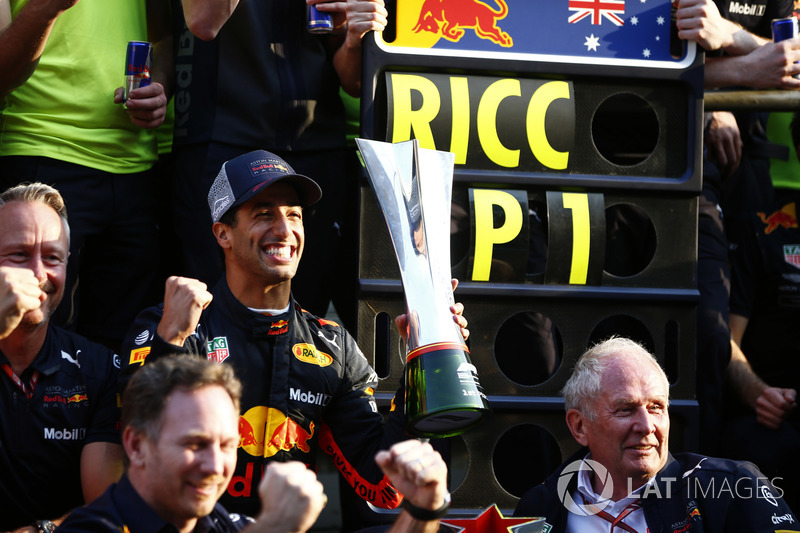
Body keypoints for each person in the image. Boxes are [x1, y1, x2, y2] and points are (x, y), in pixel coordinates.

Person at [120, 149, 469, 519]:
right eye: (264, 214)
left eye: (294, 215)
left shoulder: (333, 347)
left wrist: (425, 360)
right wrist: (168, 342)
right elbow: (137, 449)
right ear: (223, 233)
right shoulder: (175, 324)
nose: (285, 231)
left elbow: (384, 486)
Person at [59, 355, 450, 533]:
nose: (215, 465)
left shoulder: (220, 523)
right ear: (136, 444)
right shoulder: (91, 528)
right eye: (195, 444)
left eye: (228, 444)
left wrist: (422, 508)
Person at [169, 0, 387, 319]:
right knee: (210, 310)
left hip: (316, 144)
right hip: (224, 138)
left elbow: (353, 82)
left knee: (302, 310)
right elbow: (204, 23)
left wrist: (357, 36)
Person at [0, 0, 172, 351]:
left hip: (136, 165)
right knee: (29, 335)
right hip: (40, 150)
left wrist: (160, 88)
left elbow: (166, 38)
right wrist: (44, 8)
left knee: (122, 348)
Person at [675, 0, 800, 455]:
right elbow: (626, 62)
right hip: (659, 164)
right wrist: (713, 99)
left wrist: (734, 40)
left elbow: (793, 58)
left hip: (746, 175)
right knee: (705, 331)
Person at [514, 337, 797, 532]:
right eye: (626, 409)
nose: (647, 426)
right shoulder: (540, 506)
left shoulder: (735, 488)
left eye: (656, 407)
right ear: (579, 426)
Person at [0, 183, 123, 531]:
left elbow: (106, 511)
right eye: (19, 255)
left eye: (52, 257)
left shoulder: (99, 370)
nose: (39, 275)